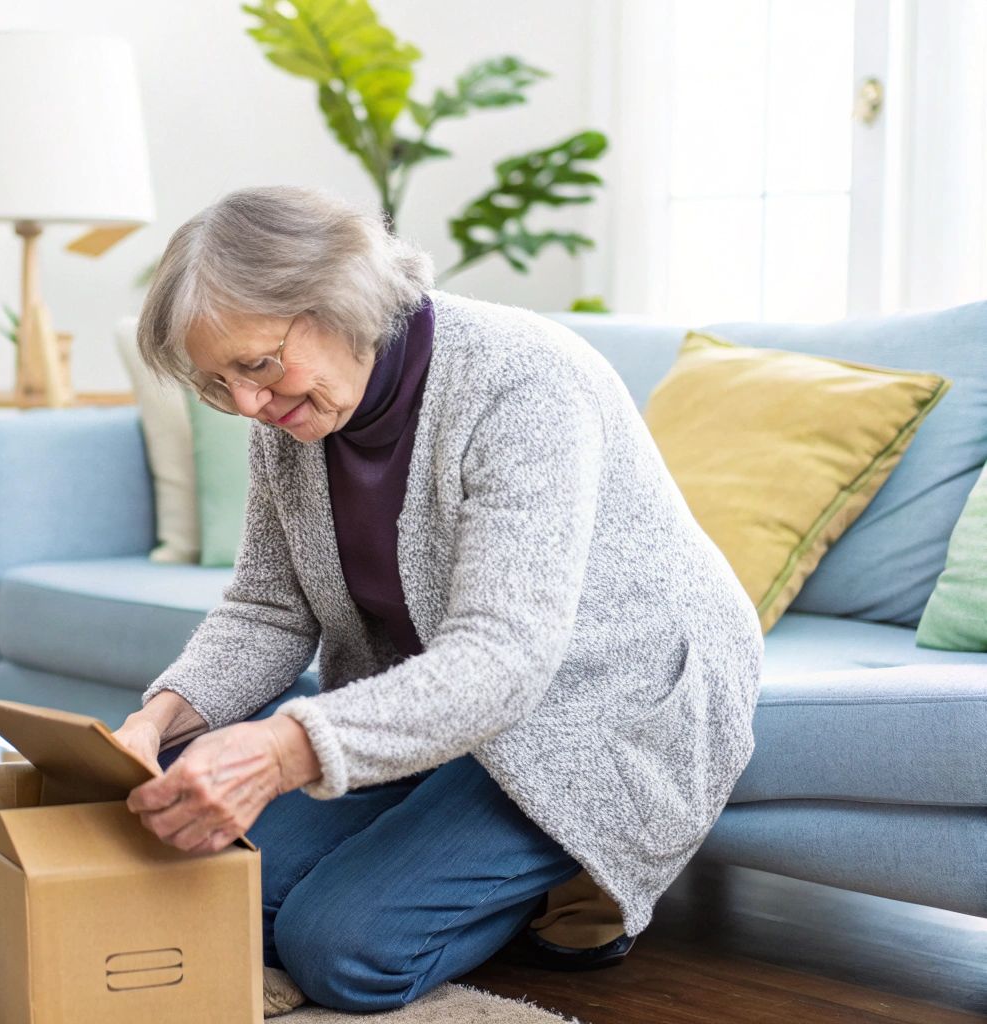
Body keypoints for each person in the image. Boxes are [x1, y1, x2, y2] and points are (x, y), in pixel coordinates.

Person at [112, 186, 762, 1015]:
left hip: (595, 706)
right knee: (201, 884)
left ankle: (574, 874)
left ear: (339, 302)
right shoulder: (292, 420)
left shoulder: (520, 381)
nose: (247, 405)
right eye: (216, 385)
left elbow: (504, 657)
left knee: (338, 949)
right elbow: (268, 609)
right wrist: (160, 718)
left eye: (256, 365)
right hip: (425, 702)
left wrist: (281, 750)